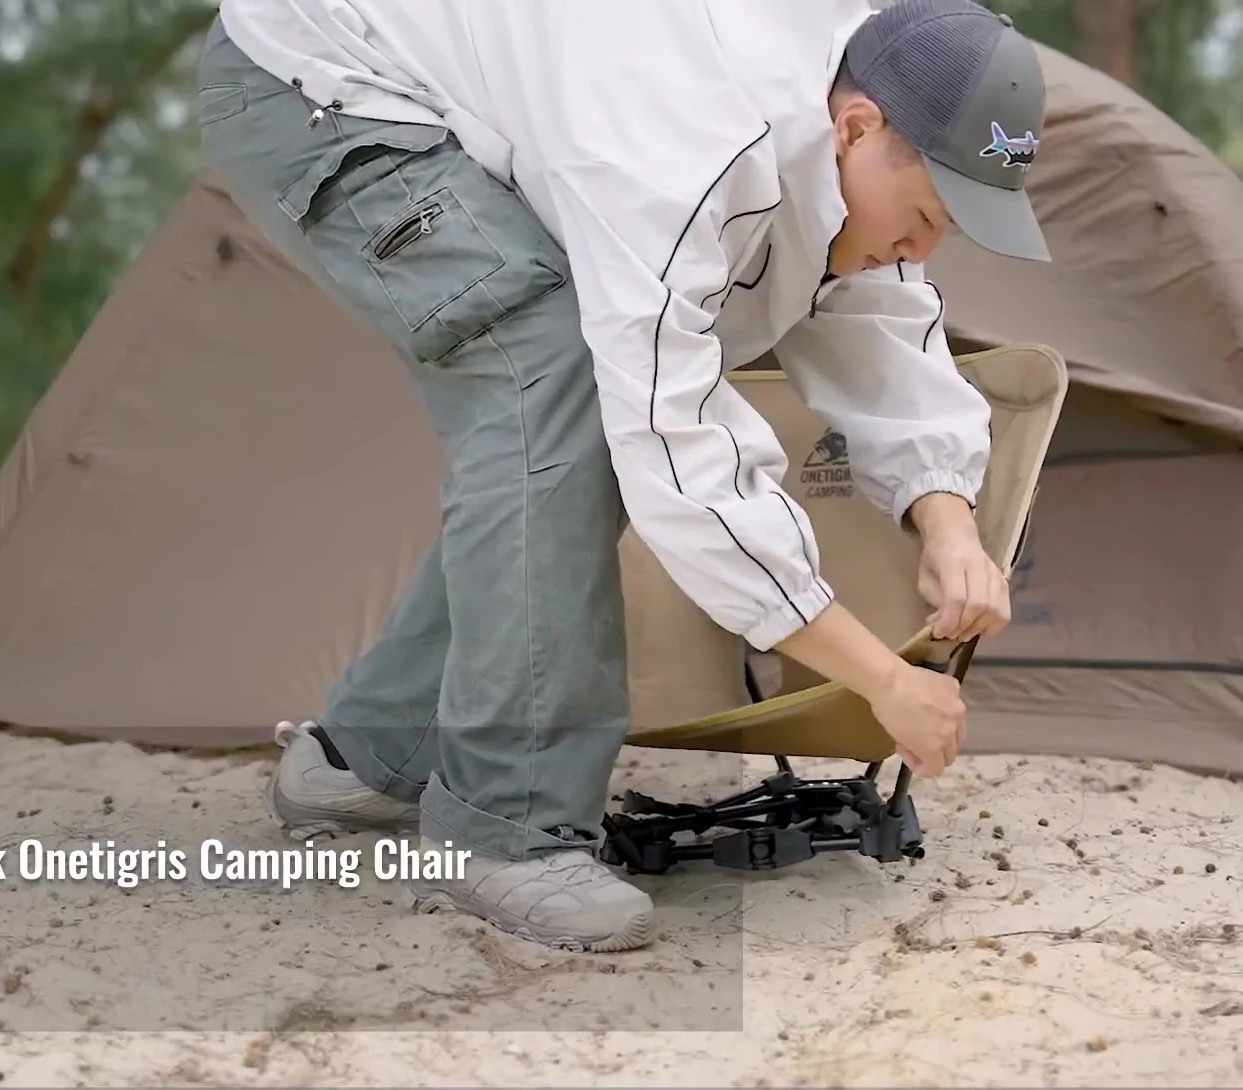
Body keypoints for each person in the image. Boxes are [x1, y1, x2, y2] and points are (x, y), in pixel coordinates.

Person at [196, 0, 1053, 952]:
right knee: (552, 377)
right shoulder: (681, 146)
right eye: (927, 215)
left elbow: (880, 310)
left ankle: (369, 757)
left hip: (474, 82)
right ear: (856, 127)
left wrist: (948, 522)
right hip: (320, 79)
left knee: (578, 389)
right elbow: (675, 448)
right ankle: (506, 833)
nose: (923, 249)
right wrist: (880, 678)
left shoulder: (869, 79)